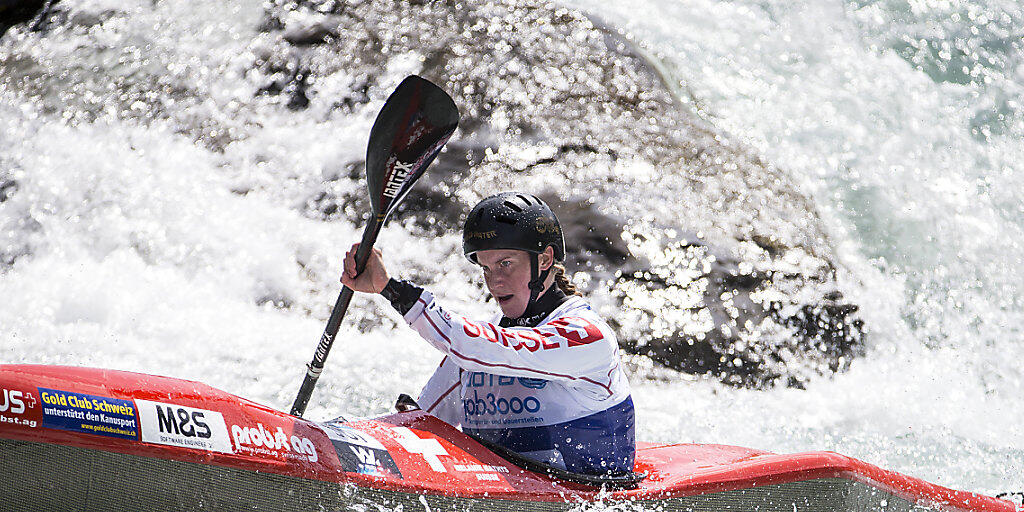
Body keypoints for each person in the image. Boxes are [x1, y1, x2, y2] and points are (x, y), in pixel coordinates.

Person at [342, 192, 635, 475]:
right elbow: (421, 424)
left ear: (545, 260)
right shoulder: (479, 345)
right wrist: (346, 440)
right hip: (500, 489)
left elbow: (487, 347)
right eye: (486, 268)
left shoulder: (587, 336)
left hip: (588, 491)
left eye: (505, 264)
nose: (495, 282)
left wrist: (390, 289)